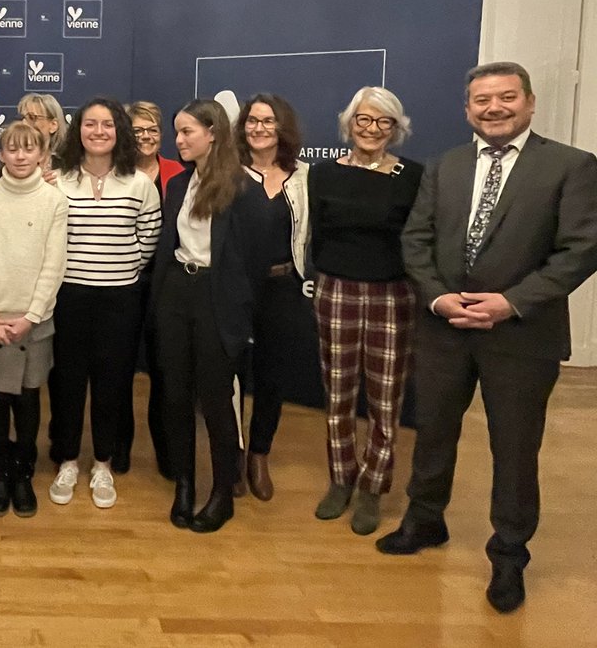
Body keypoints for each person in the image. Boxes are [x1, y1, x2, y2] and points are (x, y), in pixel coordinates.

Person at [378, 62, 597, 614]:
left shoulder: (570, 166)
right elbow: (416, 240)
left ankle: (508, 555)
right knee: (432, 433)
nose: (493, 108)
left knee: (515, 449)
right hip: (444, 327)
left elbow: (581, 249)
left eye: (505, 98)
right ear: (466, 108)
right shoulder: (445, 166)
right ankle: (425, 521)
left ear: (529, 102)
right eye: (481, 100)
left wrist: (511, 302)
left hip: (522, 334)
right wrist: (437, 297)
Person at [308, 86, 423, 537]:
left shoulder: (412, 175)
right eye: (363, 120)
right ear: (348, 124)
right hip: (335, 290)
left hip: (393, 296)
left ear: (396, 128)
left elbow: (418, 237)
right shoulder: (322, 173)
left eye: (383, 122)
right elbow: (315, 231)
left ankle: (373, 487)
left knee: (385, 398)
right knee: (337, 392)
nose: (372, 130)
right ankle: (341, 479)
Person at [152, 99, 260, 533]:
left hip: (218, 297)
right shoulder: (179, 183)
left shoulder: (241, 186)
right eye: (176, 132)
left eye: (187, 132)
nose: (178, 140)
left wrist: (239, 315)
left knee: (216, 399)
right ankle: (184, 484)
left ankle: (221, 492)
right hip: (179, 290)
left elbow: (249, 261)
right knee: (176, 394)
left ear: (213, 132)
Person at [48, 97, 161, 509]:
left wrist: (122, 265)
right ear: (78, 130)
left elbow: (149, 237)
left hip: (120, 298)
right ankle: (67, 461)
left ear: (120, 132)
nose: (98, 131)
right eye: (90, 123)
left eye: (107, 125)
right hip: (69, 297)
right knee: (67, 383)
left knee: (113, 384)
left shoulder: (139, 184)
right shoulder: (57, 180)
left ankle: (102, 464)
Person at [0, 121, 68, 517]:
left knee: (28, 397)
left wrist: (32, 315)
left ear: (43, 154)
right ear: (3, 153)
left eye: (30, 149)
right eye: (13, 149)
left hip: (34, 319)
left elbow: (53, 263)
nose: (21, 156)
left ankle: (23, 472)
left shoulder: (54, 200)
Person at [235, 93, 312, 501]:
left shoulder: (303, 177)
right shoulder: (228, 173)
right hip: (236, 288)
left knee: (272, 376)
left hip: (283, 288)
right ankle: (233, 452)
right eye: (252, 120)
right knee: (230, 375)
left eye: (267, 121)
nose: (259, 128)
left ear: (282, 128)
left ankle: (259, 454)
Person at [122, 100, 186, 477]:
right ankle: (119, 448)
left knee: (166, 372)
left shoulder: (179, 173)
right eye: (137, 131)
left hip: (169, 285)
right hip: (125, 283)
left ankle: (168, 452)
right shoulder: (114, 174)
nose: (145, 137)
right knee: (120, 370)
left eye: (152, 131)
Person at [18, 93, 66, 167]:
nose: (24, 123)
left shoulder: (67, 167)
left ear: (53, 125)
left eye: (32, 117)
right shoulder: (8, 163)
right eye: (22, 118)